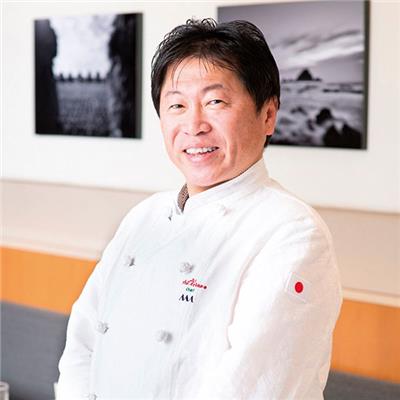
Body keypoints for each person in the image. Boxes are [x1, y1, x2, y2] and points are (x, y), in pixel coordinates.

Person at [57, 18, 342, 400]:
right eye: (176, 105)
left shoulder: (293, 233)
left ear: (268, 115)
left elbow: (250, 389)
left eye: (215, 102)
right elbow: (82, 343)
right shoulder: (144, 217)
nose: (193, 125)